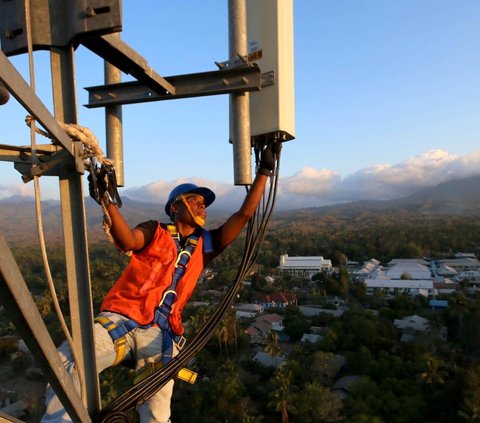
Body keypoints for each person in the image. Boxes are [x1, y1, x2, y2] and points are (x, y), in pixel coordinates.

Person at [42, 144, 276, 423]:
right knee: (68, 361)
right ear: (176, 207)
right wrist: (107, 200)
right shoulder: (156, 231)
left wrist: (264, 171)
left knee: (157, 412)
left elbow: (244, 215)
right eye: (195, 199)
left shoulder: (206, 244)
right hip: (122, 318)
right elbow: (128, 240)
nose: (202, 205)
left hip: (160, 332)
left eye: (204, 203)